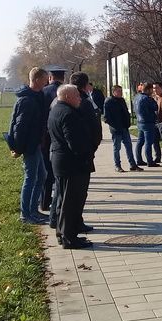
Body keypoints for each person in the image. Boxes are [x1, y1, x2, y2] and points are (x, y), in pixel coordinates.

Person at [48, 84, 93, 249]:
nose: (80, 99)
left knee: (63, 201)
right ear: (67, 97)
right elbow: (75, 143)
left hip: (62, 162)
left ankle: (64, 233)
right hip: (72, 165)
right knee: (71, 203)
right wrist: (86, 156)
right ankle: (69, 238)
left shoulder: (56, 109)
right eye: (77, 96)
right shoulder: (68, 114)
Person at [7, 67, 49, 224]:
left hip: (36, 143)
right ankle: (25, 214)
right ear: (37, 80)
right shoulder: (27, 100)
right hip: (29, 146)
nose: (46, 82)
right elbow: (19, 127)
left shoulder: (36, 97)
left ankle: (33, 210)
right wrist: (17, 149)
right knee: (31, 178)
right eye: (45, 79)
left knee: (42, 176)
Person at [68, 71, 101, 233]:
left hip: (67, 156)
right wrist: (92, 148)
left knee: (67, 194)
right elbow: (94, 128)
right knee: (76, 194)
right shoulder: (83, 102)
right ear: (85, 85)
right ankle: (72, 226)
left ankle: (61, 223)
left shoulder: (58, 102)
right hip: (80, 155)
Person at [41, 66, 65, 219]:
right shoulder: (65, 91)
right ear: (62, 78)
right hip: (59, 135)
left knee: (46, 171)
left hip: (45, 135)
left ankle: (44, 201)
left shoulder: (43, 92)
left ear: (50, 77)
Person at [104, 85, 143, 173]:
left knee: (129, 146)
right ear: (113, 92)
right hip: (116, 129)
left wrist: (127, 123)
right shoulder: (109, 101)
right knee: (117, 148)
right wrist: (114, 125)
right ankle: (117, 165)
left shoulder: (122, 100)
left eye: (121, 91)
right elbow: (106, 117)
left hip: (124, 127)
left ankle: (133, 164)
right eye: (118, 91)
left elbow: (125, 112)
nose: (120, 93)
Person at [134, 82, 160, 167]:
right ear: (148, 90)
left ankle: (139, 159)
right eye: (151, 89)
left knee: (140, 142)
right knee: (148, 143)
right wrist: (153, 99)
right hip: (148, 122)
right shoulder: (147, 99)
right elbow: (155, 107)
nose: (152, 91)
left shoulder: (137, 97)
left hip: (139, 121)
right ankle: (150, 161)